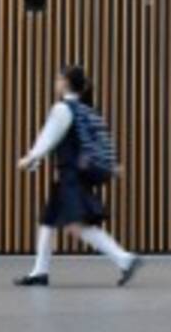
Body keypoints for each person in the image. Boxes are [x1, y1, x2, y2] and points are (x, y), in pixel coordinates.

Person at [14, 65, 143, 287]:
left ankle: (125, 259)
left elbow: (48, 138)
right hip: (73, 176)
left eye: (57, 79)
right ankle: (39, 272)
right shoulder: (86, 110)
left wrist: (30, 158)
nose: (55, 83)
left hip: (70, 177)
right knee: (48, 222)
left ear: (65, 82)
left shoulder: (63, 109)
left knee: (77, 225)